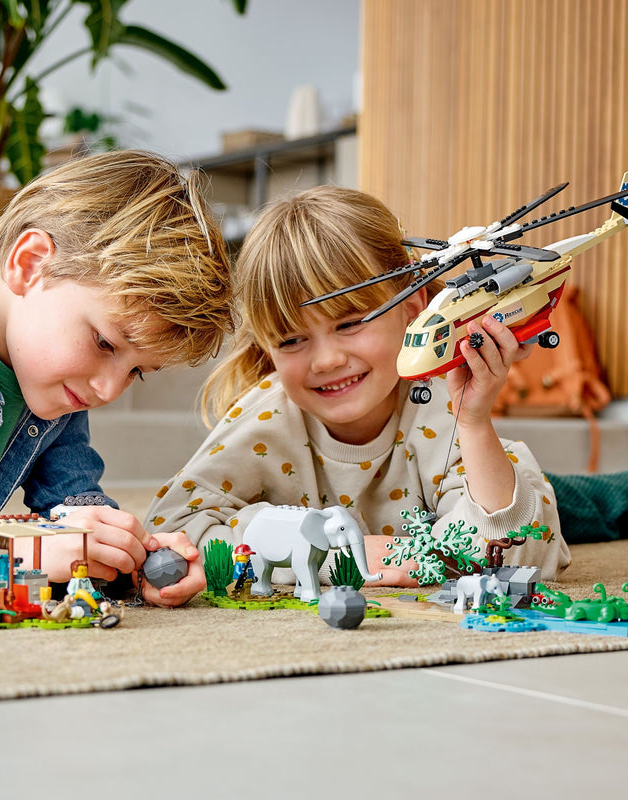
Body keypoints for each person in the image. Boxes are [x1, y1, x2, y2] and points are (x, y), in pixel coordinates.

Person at [143, 185, 572, 607]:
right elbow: (171, 533)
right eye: (291, 340)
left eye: (349, 324)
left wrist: (475, 425)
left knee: (587, 504)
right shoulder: (265, 418)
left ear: (411, 308)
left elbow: (525, 550)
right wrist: (336, 553)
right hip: (437, 503)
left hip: (519, 482)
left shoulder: (442, 406)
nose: (327, 360)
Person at [0, 149, 232, 600]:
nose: (108, 389)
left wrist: (129, 556)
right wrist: (25, 554)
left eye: (137, 371)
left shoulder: (53, 380)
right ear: (30, 264)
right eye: (105, 343)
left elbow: (72, 505)